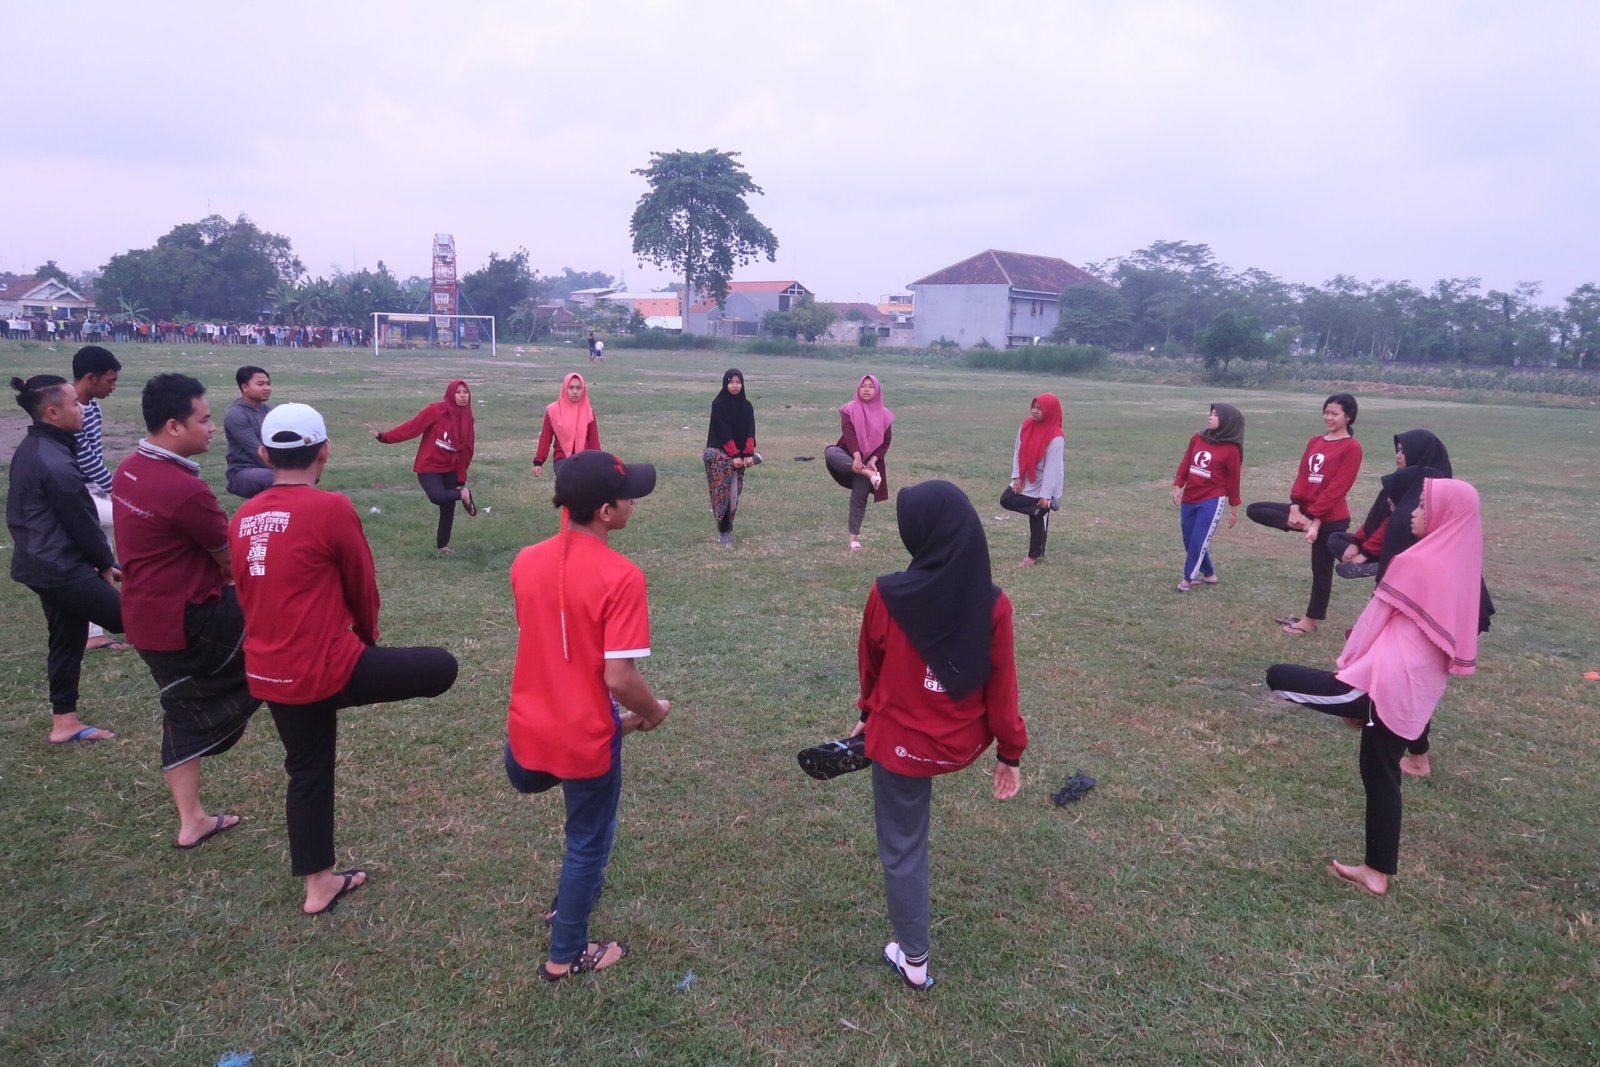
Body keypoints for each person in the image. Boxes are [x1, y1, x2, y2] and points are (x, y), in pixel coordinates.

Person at [232, 403, 459, 913]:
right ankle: (317, 885)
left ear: (265, 454)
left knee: (307, 771)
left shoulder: (243, 515)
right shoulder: (330, 507)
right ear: (325, 451)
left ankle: (319, 887)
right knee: (442, 666)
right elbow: (362, 586)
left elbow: (246, 592)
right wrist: (368, 643)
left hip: (266, 673)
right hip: (326, 668)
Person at [847, 480, 1027, 991]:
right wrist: (1009, 755)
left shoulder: (886, 594)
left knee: (903, 845)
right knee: (908, 829)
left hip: (901, 745)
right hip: (962, 743)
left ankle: (914, 959)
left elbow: (872, 669)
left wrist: (867, 713)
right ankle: (913, 954)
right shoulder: (994, 604)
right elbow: (1003, 689)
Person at [1266, 478, 1483, 895]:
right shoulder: (1463, 565)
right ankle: (1376, 873)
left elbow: (1369, 627)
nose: (1414, 513)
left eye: (1423, 506)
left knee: (1278, 676)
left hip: (1382, 684)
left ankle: (1354, 709)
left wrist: (1347, 671)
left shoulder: (1415, 563)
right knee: (1380, 772)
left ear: (1444, 515)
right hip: (1418, 690)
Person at [504, 450, 670, 980]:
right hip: (583, 741)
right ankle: (565, 955)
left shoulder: (525, 560)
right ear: (604, 511)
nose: (633, 502)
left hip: (527, 735)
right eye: (628, 497)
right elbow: (619, 678)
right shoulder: (623, 577)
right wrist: (653, 711)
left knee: (579, 830)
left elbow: (554, 647)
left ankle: (568, 906)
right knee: (588, 841)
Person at [112, 374, 260, 848]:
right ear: (174, 427)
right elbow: (229, 561)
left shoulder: (130, 468)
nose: (212, 427)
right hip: (189, 620)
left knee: (179, 707)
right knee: (278, 655)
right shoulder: (184, 491)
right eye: (205, 419)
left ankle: (191, 819)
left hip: (142, 619)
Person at [7, 374, 124, 744]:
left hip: (44, 563)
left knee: (67, 638)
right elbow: (83, 521)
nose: (82, 410)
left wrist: (104, 563)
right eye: (75, 404)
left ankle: (64, 723)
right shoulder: (53, 458)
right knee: (133, 618)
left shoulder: (40, 447)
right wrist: (104, 563)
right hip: (58, 567)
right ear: (53, 412)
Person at [1246, 393, 1363, 635]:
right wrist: (1296, 508)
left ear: (1348, 417)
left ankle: (1310, 621)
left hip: (1332, 517)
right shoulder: (1314, 441)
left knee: (1321, 571)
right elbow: (1303, 475)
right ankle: (1304, 526)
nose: (1328, 417)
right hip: (1305, 512)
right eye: (1326, 412)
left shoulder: (1352, 447)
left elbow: (1338, 488)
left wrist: (1316, 518)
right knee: (1255, 509)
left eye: (1334, 413)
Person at [364, 379, 478, 555]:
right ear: (450, 394)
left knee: (448, 507)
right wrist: (383, 436)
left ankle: (442, 546)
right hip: (429, 466)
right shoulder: (435, 410)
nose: (463, 396)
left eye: (465, 392)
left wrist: (461, 478)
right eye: (458, 392)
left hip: (452, 468)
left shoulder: (467, 417)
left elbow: (467, 449)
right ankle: (463, 495)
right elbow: (412, 428)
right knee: (438, 497)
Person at [1332, 429, 1451, 580]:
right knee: (1336, 539)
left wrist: (1364, 554)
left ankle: (1381, 564)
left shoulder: (1430, 486)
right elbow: (1374, 518)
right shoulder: (1401, 480)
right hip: (1382, 543)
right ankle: (1376, 563)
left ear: (1418, 453)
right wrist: (1356, 543)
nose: (1398, 456)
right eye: (1397, 450)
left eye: (1404, 451)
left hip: (1410, 549)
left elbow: (1392, 524)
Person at [71, 345, 127, 653]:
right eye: (110, 380)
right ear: (90, 378)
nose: (113, 387)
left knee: (101, 554)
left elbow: (96, 454)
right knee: (127, 517)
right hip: (78, 494)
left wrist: (106, 485)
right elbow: (84, 457)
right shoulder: (71, 406)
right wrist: (115, 489)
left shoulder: (92, 406)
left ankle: (95, 632)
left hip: (94, 489)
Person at [1170, 402, 1245, 591]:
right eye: (1211, 413)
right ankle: (1209, 574)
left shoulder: (1232, 450)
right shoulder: (1197, 438)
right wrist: (1178, 485)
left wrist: (1234, 509)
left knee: (1199, 540)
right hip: (1190, 497)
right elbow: (1187, 461)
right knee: (1189, 538)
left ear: (1227, 421)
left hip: (1212, 499)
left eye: (1216, 415)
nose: (1210, 417)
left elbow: (1234, 480)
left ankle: (1188, 580)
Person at [824, 374, 894, 551]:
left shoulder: (885, 415)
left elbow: (886, 441)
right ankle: (868, 475)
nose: (867, 389)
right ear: (858, 389)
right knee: (830, 452)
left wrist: (872, 460)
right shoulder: (849, 410)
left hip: (869, 461)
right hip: (849, 457)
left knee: (859, 498)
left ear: (877, 390)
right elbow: (849, 434)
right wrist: (856, 457)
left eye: (871, 386)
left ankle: (853, 539)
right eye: (864, 386)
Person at [999, 393, 1066, 567]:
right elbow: (1018, 451)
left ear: (1050, 411)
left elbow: (1053, 469)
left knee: (1038, 514)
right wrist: (1017, 477)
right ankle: (1042, 507)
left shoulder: (1056, 437)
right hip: (1027, 475)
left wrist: (1046, 495)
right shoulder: (1026, 426)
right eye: (1033, 407)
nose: (1034, 411)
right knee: (1007, 499)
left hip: (1045, 480)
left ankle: (1034, 555)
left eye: (1039, 408)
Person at [703, 368, 759, 546]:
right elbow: (723, 432)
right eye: (731, 382)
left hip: (739, 457)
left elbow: (750, 430)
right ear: (725, 383)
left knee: (734, 492)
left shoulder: (747, 406)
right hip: (719, 454)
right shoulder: (718, 404)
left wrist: (748, 453)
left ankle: (728, 528)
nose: (735, 386)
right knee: (721, 494)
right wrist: (734, 455)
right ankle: (723, 531)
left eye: (738, 382)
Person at [532, 373, 601, 478]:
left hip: (585, 460)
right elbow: (545, 438)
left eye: (578, 388)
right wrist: (538, 462)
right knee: (571, 483)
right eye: (571, 388)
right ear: (565, 389)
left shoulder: (589, 412)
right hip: (562, 459)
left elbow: (594, 441)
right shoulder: (553, 411)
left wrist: (599, 464)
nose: (575, 391)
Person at [224, 364, 275, 499]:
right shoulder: (236, 414)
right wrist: (287, 472)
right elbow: (257, 451)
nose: (267, 388)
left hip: (269, 465)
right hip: (243, 470)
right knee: (278, 479)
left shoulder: (270, 411)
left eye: (268, 384)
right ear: (244, 387)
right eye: (260, 384)